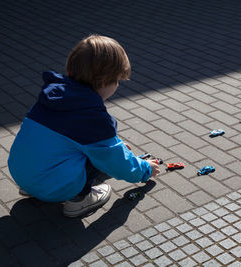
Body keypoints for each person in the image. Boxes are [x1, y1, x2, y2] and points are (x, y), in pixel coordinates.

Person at [8, 34, 160, 217]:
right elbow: (116, 162)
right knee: (104, 155)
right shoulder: (93, 118)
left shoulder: (51, 98)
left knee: (94, 149)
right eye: (117, 81)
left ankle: (36, 189)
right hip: (55, 187)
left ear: (71, 71)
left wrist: (114, 146)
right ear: (104, 81)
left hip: (22, 176)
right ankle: (79, 200)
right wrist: (145, 169)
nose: (117, 85)